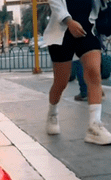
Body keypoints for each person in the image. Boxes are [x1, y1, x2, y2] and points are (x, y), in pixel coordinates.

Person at [43, 0, 111, 144]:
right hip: (62, 32)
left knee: (94, 73)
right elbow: (54, 3)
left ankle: (94, 126)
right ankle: (52, 113)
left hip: (87, 29)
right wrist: (69, 22)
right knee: (61, 82)